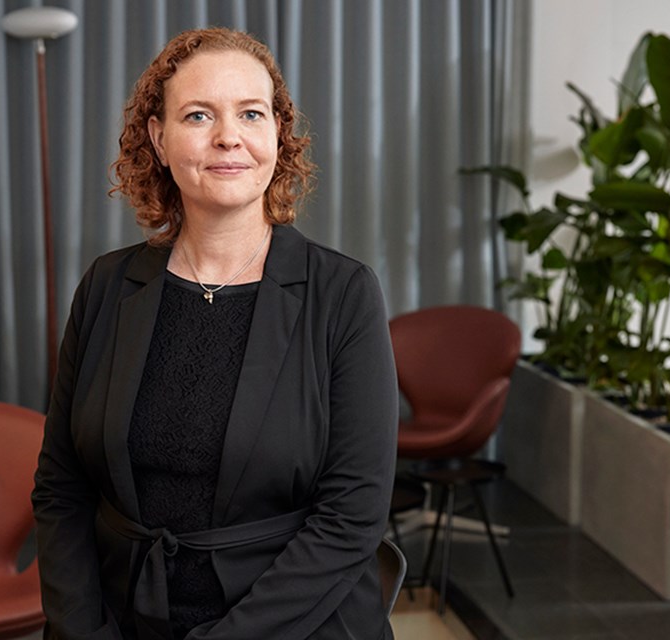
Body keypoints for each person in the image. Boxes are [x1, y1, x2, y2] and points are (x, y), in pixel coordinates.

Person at [31, 27, 399, 640]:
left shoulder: (343, 295)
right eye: (199, 115)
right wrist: (84, 631)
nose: (229, 136)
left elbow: (351, 519)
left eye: (250, 114)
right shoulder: (106, 286)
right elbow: (60, 488)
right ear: (159, 138)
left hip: (295, 624)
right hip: (120, 621)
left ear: (277, 134)